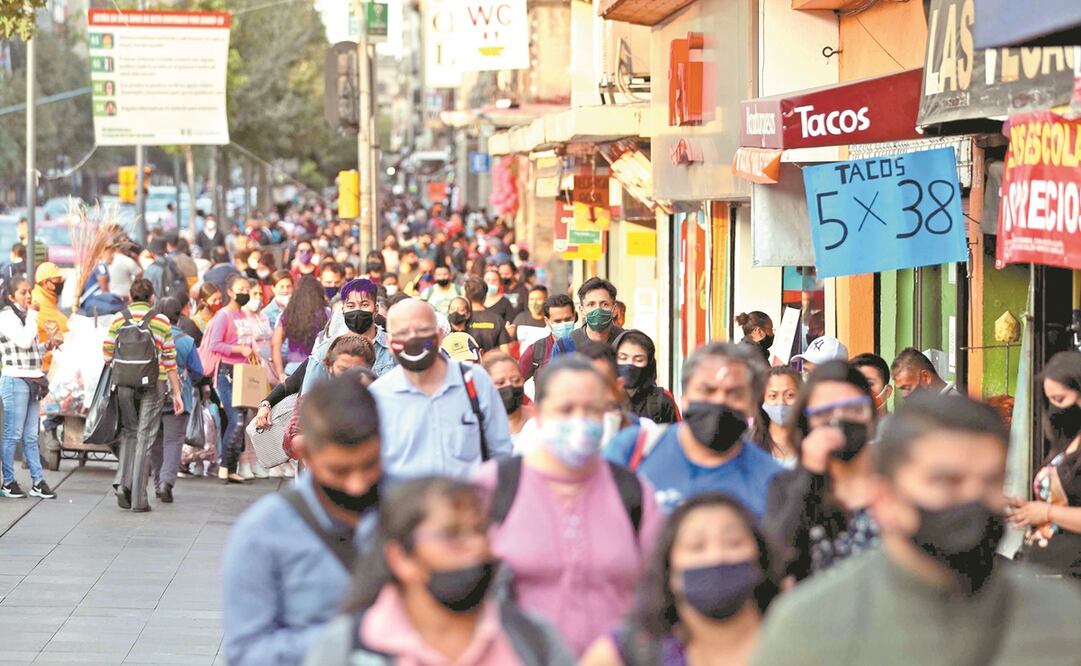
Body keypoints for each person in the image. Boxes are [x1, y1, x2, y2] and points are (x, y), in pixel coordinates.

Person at [752, 394, 1081, 665]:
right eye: (945, 481)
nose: (970, 498)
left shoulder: (1062, 616)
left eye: (989, 481)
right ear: (884, 498)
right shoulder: (811, 627)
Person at [473, 355, 662, 657]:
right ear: (539, 413)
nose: (579, 420)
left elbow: (658, 588)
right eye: (566, 409)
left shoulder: (633, 492)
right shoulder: (493, 487)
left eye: (591, 409)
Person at [304, 476, 575, 666]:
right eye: (452, 535)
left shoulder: (532, 638)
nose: (476, 546)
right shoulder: (350, 649)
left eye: (480, 531)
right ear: (401, 558)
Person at [222, 372, 383, 666]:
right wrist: (356, 636)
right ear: (307, 454)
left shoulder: (407, 512)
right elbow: (246, 651)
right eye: (340, 470)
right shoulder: (265, 530)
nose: (357, 484)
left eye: (368, 465)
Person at [581, 493, 784, 666]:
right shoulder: (629, 653)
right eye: (696, 546)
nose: (716, 557)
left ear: (760, 558)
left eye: (733, 543)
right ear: (670, 571)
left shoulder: (797, 637)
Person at [605, 342, 782, 516]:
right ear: (684, 398)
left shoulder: (773, 482)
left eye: (734, 393)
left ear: (752, 404)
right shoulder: (631, 451)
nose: (719, 401)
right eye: (707, 390)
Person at [370, 299, 512, 480]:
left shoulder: (474, 382)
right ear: (390, 343)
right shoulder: (378, 396)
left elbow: (501, 454)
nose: (413, 338)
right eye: (403, 332)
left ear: (438, 336)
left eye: (422, 330)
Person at [763, 361, 879, 581]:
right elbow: (778, 560)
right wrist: (810, 474)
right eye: (824, 413)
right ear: (807, 422)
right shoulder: (786, 486)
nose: (838, 420)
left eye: (853, 409)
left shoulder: (895, 482)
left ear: (870, 414)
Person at [103, 278, 185, 511]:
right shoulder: (160, 321)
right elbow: (170, 360)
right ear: (152, 298)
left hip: (124, 384)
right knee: (145, 438)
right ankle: (139, 499)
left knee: (129, 433)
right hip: (154, 384)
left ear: (130, 296)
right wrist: (177, 393)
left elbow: (107, 353)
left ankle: (122, 484)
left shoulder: (119, 318)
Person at [1009, 351, 1081, 578]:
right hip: (1044, 571)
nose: (1055, 409)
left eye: (1060, 399)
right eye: (1050, 401)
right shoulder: (1066, 442)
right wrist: (1029, 510)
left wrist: (1047, 512)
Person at [0, 277, 56, 499]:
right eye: (23, 292)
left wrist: (46, 346)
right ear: (12, 297)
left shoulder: (25, 317)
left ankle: (38, 481)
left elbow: (29, 352)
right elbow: (23, 341)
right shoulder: (6, 317)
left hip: (32, 379)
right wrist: (34, 315)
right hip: (15, 380)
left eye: (29, 291)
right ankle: (8, 481)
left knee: (31, 436)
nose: (29, 296)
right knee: (13, 434)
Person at [199, 275, 259, 484]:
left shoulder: (243, 315)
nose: (245, 292)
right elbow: (215, 344)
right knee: (237, 419)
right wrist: (238, 349)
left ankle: (230, 467)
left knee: (241, 420)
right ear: (230, 292)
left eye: (247, 288)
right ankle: (225, 466)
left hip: (244, 370)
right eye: (240, 288)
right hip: (227, 372)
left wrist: (251, 352)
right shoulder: (224, 315)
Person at [150, 296, 205, 504]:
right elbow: (198, 371)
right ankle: (167, 482)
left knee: (155, 441)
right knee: (173, 442)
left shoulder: (151, 336)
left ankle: (157, 483)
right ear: (178, 316)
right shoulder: (186, 340)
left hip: (153, 393)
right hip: (178, 396)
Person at [300, 278, 396, 393]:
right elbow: (308, 400)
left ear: (376, 309)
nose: (357, 311)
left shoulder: (392, 347)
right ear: (343, 310)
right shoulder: (325, 351)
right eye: (350, 306)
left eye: (364, 304)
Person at [615, 329, 680, 425]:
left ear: (649, 364)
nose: (630, 364)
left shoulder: (662, 400)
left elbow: (677, 436)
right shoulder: (601, 397)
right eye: (623, 358)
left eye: (639, 360)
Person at [272, 275, 329, 378]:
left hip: (292, 370)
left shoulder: (286, 315)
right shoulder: (327, 313)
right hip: (318, 369)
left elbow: (275, 344)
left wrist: (280, 373)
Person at [519, 294, 577, 382]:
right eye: (557, 321)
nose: (563, 324)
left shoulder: (586, 345)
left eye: (567, 319)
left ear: (574, 317)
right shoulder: (537, 350)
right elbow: (515, 382)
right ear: (547, 321)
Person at [481, 351, 533, 444]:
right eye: (500, 382)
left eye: (516, 380)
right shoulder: (478, 429)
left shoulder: (539, 419)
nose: (509, 385)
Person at [31, 262, 67, 372]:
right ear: (46, 283)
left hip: (48, 359)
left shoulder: (47, 297)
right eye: (57, 279)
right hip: (45, 365)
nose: (61, 282)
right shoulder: (40, 301)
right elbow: (63, 328)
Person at [762, 367, 802, 465]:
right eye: (773, 396)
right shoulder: (749, 446)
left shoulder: (813, 443)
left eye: (789, 395)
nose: (781, 403)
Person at [464, 276, 512, 354]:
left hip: (466, 365)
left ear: (465, 295)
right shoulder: (497, 319)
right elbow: (506, 353)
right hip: (491, 364)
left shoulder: (461, 318)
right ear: (485, 296)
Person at [572, 277, 623, 348]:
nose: (598, 310)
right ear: (581, 310)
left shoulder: (628, 341)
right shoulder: (566, 344)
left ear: (614, 309)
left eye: (605, 304)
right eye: (591, 304)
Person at [891, 347, 959, 399]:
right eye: (902, 389)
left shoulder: (954, 407)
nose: (904, 395)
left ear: (926, 377)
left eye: (907, 388)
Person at [513, 284, 549, 351]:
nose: (534, 303)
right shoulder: (520, 319)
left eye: (538, 299)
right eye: (531, 299)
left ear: (546, 300)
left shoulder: (551, 320)